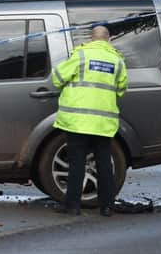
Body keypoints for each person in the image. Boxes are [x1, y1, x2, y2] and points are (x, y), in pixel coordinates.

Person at [52, 25, 128, 216]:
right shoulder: (117, 61)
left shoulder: (80, 56)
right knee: (103, 163)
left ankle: (72, 206)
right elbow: (121, 89)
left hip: (77, 121)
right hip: (103, 123)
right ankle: (107, 206)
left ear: (91, 39)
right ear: (108, 40)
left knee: (77, 162)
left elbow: (57, 78)